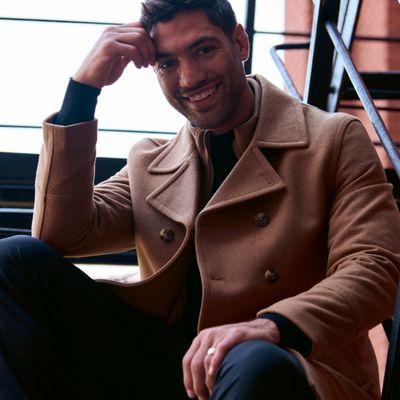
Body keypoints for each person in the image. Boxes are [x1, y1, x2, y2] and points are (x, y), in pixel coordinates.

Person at [1, 0, 399, 399]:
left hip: (287, 366)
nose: (189, 77)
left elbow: (374, 269)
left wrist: (273, 325)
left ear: (240, 42)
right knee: (13, 260)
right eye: (167, 63)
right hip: (167, 370)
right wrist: (83, 91)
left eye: (203, 49)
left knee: (254, 360)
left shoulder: (332, 140)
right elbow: (61, 234)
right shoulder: (152, 163)